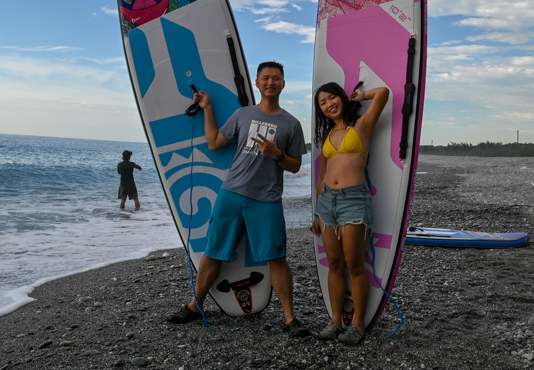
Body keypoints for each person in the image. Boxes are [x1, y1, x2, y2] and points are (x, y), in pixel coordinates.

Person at [165, 61, 310, 337]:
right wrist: (207, 108)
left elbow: (295, 166)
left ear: (283, 83)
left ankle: (290, 319)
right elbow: (214, 143)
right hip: (231, 193)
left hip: (266, 200)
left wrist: (276, 154)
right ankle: (195, 306)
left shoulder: (291, 123)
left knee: (276, 257)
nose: (271, 82)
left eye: (276, 78)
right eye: (265, 78)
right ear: (256, 83)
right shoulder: (243, 114)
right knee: (213, 251)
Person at [311, 81, 389, 346]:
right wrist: (316, 211)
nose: (329, 104)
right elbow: (323, 174)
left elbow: (383, 93)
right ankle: (335, 321)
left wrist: (361, 95)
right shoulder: (327, 136)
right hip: (327, 204)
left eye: (332, 98)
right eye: (323, 103)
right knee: (334, 264)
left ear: (342, 99)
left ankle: (358, 325)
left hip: (354, 199)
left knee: (355, 264)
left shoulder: (362, 126)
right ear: (320, 110)